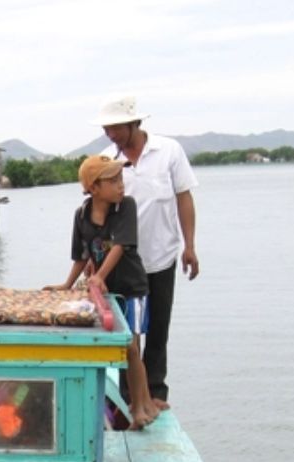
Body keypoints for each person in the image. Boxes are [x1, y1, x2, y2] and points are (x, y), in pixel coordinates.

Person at [95, 95, 199, 410]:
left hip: (161, 257)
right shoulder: (106, 159)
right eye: (106, 129)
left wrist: (189, 246)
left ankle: (156, 393)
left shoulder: (169, 151)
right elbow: (97, 210)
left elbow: (184, 197)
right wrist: (95, 265)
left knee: (157, 328)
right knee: (128, 332)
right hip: (121, 262)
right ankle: (129, 397)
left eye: (115, 128)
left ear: (133, 124)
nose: (110, 135)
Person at [56, 155, 156, 430]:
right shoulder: (81, 216)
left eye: (120, 179)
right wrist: (67, 284)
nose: (120, 186)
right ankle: (143, 405)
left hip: (132, 287)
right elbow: (81, 255)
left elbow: (120, 246)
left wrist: (99, 275)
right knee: (125, 348)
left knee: (132, 348)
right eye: (112, 181)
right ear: (94, 187)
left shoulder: (125, 207)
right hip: (107, 293)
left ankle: (139, 407)